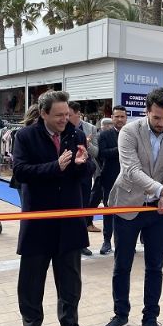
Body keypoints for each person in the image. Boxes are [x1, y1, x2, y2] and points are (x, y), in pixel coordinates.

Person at [13, 90, 94, 326]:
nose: (64, 119)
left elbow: (90, 171)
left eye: (67, 114)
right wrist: (55, 166)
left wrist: (83, 164)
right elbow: (20, 172)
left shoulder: (76, 134)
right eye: (58, 115)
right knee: (31, 279)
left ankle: (70, 321)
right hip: (39, 220)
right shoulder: (25, 136)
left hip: (69, 219)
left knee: (70, 278)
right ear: (44, 113)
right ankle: (31, 324)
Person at [101, 88, 163, 326]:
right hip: (128, 205)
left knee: (155, 267)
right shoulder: (129, 132)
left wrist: (162, 197)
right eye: (156, 117)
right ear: (147, 111)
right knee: (122, 264)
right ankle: (120, 314)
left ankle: (150, 319)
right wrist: (162, 190)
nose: (161, 123)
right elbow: (130, 170)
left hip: (157, 210)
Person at [69, 101, 100, 253]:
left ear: (78, 114)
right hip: (67, 175)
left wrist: (87, 145)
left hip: (85, 175)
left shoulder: (90, 129)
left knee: (83, 207)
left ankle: (82, 243)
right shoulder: (61, 130)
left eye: (69, 114)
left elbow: (96, 154)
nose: (66, 118)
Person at [97, 107, 127, 255]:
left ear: (126, 118)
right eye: (117, 116)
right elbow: (102, 153)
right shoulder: (105, 135)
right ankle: (107, 240)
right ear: (112, 118)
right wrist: (121, 149)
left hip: (129, 180)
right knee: (109, 211)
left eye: (122, 116)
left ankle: (124, 242)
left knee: (126, 212)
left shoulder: (132, 134)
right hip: (109, 178)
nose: (120, 119)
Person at [9, 104, 40, 203]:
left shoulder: (21, 133)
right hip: (25, 177)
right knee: (27, 207)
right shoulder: (22, 135)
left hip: (27, 177)